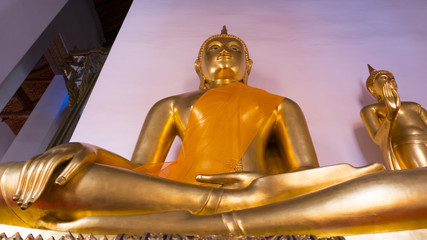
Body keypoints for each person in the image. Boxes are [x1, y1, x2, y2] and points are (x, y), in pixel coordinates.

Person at [1, 27, 426, 237]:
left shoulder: (280, 105)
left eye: (235, 50)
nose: (225, 53)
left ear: (249, 66)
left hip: (267, 198)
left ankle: (228, 213)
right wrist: (87, 148)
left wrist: (264, 187)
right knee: (17, 181)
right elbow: (142, 171)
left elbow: (307, 175)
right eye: (214, 50)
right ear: (198, 68)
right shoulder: (171, 105)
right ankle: (223, 212)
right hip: (178, 196)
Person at [361, 65, 427, 170]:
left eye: (392, 77)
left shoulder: (414, 105)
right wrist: (391, 114)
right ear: (372, 89)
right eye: (384, 78)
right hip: (409, 142)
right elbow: (378, 139)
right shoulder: (371, 109)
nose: (390, 80)